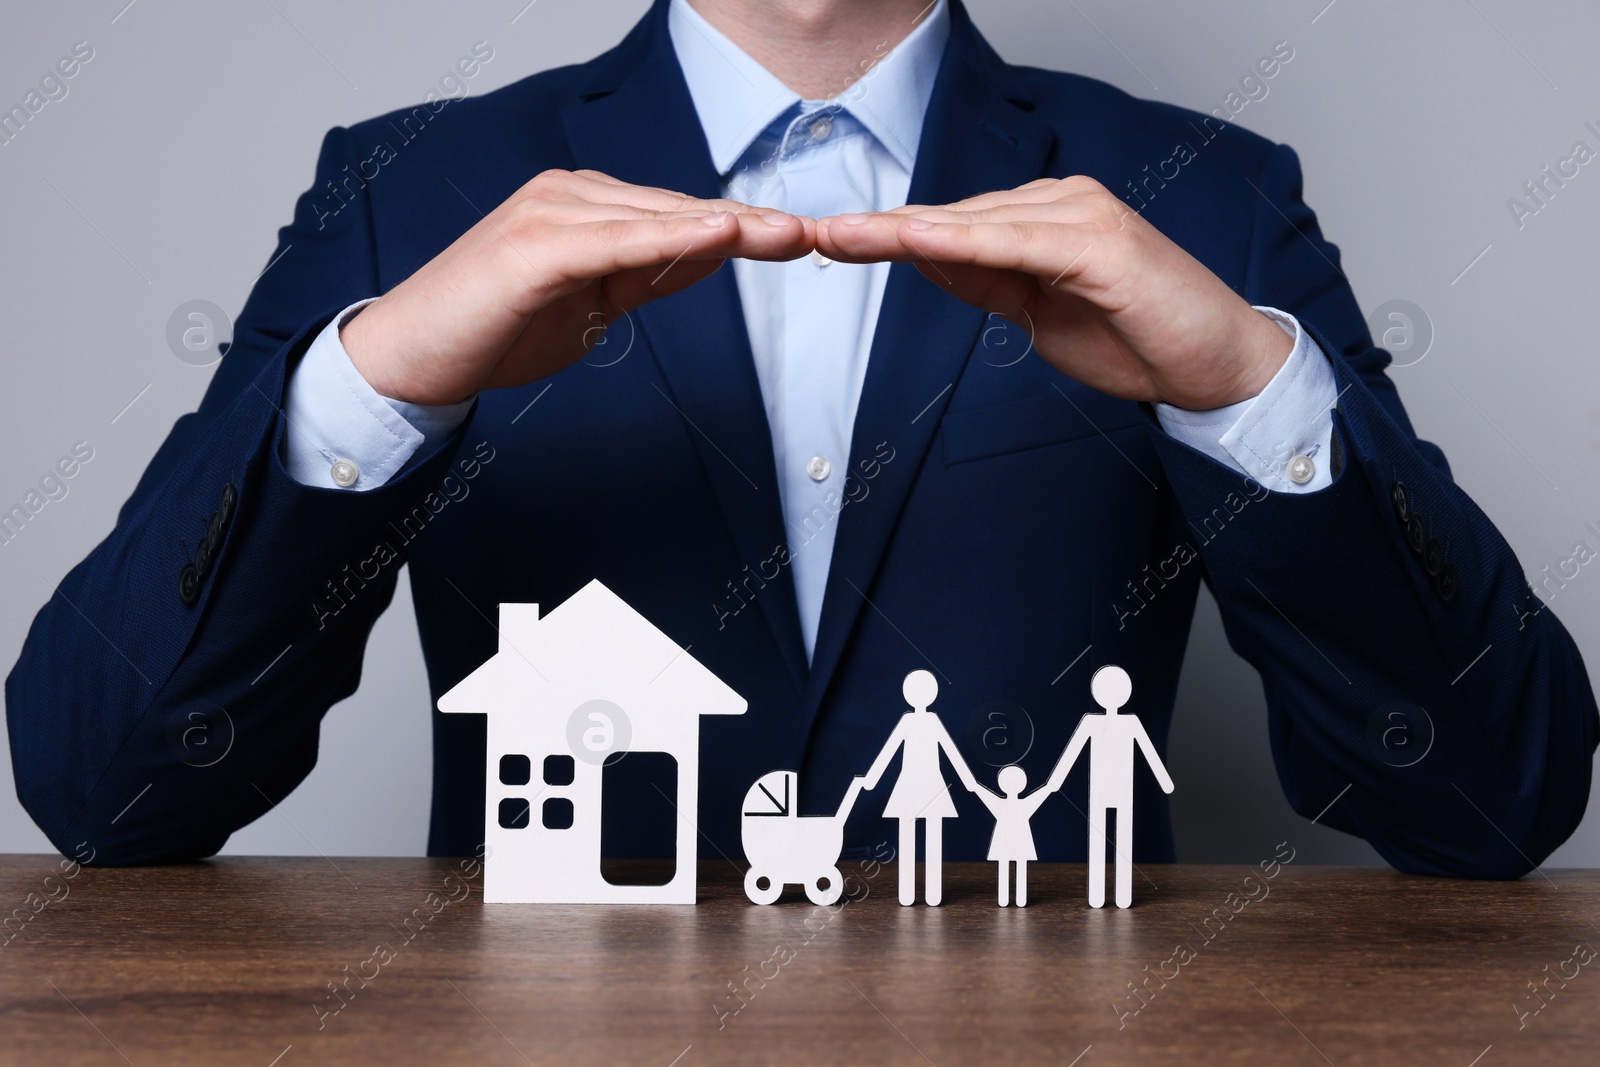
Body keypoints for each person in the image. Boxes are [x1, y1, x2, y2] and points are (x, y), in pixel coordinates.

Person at [6, 0, 1595, 874]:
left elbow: (1492, 801)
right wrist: (366, 392)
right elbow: (104, 788)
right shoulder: (410, 190)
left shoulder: (1199, 188)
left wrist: (1252, 391)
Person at [1044, 665, 1175, 908]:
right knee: (1098, 838)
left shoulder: (1131, 723)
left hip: (1123, 789)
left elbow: (1148, 751)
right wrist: (1055, 780)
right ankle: (1097, 893)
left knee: (1123, 839)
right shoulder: (1092, 723)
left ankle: (1122, 893)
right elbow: (1072, 752)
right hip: (1101, 790)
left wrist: (1164, 781)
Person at [861, 670, 978, 905]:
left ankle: (933, 893)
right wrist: (872, 777)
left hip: (931, 783)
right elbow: (890, 749)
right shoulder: (908, 721)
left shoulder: (933, 721)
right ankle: (907, 892)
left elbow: (949, 749)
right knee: (908, 837)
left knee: (932, 837)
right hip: (909, 784)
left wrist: (968, 779)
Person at [973, 764, 1051, 907]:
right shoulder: (1009, 804)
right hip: (1009, 840)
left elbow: (977, 789)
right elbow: (977, 789)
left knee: (1018, 865)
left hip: (1019, 840)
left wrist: (974, 786)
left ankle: (1018, 899)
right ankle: (1007, 899)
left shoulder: (1017, 804)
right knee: (1007, 865)